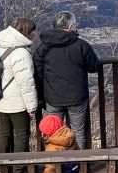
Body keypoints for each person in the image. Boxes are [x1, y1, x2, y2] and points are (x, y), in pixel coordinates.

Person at [34, 11, 100, 149]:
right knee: (78, 132)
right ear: (70, 27)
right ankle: (78, 161)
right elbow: (94, 66)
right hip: (77, 97)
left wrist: (43, 93)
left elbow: (37, 71)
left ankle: (56, 161)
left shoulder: (44, 47)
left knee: (53, 132)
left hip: (53, 97)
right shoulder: (81, 45)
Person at [0, 17, 39, 173]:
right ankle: (18, 171)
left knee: (4, 134)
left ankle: (2, 169)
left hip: (0, 98)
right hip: (16, 101)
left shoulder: (1, 46)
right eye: (33, 31)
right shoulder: (21, 53)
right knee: (21, 134)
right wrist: (32, 106)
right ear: (27, 31)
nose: (34, 34)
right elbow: (26, 83)